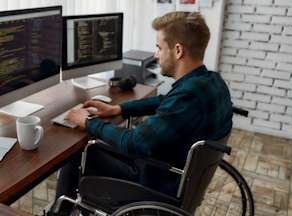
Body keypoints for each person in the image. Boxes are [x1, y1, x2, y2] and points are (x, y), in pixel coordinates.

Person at [53, 11, 232, 214]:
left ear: (178, 50)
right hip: (177, 175)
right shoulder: (212, 82)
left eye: (159, 47)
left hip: (156, 184)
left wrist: (89, 122)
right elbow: (165, 101)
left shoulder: (187, 96)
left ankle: (59, 212)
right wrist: (120, 109)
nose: (155, 55)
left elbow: (136, 142)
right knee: (100, 144)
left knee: (81, 151)